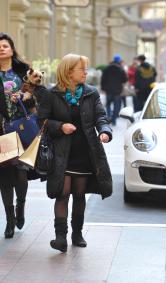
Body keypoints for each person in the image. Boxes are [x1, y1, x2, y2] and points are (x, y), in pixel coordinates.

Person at [38, 53, 113, 253]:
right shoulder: (51, 94)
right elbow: (42, 121)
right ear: (69, 71)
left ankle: (77, 234)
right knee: (62, 195)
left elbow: (101, 116)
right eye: (82, 69)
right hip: (62, 153)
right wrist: (60, 126)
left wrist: (105, 131)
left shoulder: (91, 93)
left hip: (85, 152)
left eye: (86, 69)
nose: (86, 73)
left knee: (79, 194)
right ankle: (60, 237)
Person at [0, 33, 41, 239]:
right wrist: (2, 123)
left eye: (5, 46)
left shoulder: (24, 71)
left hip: (23, 128)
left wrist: (25, 97)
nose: (2, 49)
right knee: (5, 174)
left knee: (21, 172)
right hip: (1, 130)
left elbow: (36, 94)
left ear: (12, 49)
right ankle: (9, 220)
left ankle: (20, 206)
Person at [101, 54, 128, 126]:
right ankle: (114, 119)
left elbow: (103, 79)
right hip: (117, 91)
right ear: (119, 60)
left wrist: (103, 88)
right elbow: (125, 80)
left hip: (108, 90)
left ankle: (109, 117)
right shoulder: (121, 69)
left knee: (108, 104)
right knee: (117, 106)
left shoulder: (107, 68)